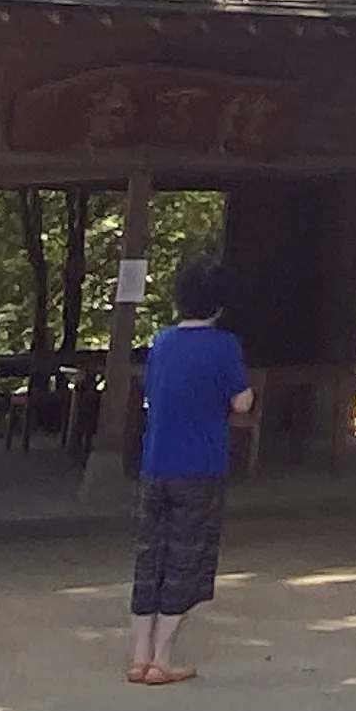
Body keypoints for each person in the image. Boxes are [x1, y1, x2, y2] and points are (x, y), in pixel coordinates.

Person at [128, 253, 253, 683]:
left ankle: (139, 653)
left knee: (151, 556)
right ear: (219, 304)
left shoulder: (161, 343)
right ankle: (163, 657)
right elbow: (241, 401)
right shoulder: (224, 346)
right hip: (200, 465)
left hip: (155, 462)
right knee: (186, 557)